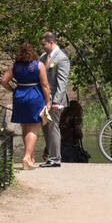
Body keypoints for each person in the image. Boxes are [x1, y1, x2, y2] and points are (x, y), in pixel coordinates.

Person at [1, 40, 51, 170]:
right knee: (34, 127)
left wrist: (12, 89)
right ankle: (27, 157)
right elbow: (45, 85)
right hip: (35, 95)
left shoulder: (15, 66)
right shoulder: (39, 65)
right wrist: (47, 101)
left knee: (24, 127)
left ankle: (31, 155)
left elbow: (3, 81)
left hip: (19, 95)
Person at [39, 31, 70, 168]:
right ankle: (51, 157)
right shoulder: (43, 57)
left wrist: (56, 101)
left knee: (52, 127)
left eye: (44, 44)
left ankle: (56, 159)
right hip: (45, 99)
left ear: (52, 42)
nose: (42, 47)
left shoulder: (62, 58)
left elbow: (62, 82)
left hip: (56, 101)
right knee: (46, 128)